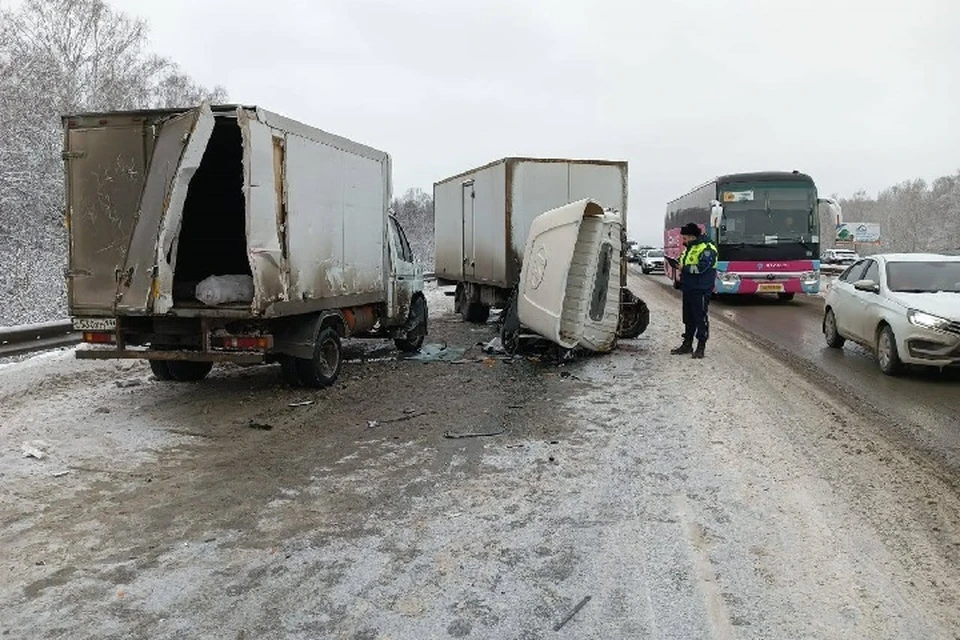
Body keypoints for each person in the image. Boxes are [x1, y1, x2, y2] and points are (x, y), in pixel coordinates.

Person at [669, 222, 718, 359]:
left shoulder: (708, 248)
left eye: (684, 238)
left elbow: (702, 268)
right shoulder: (689, 248)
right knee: (688, 318)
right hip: (688, 288)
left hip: (701, 289)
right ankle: (687, 344)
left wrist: (683, 268)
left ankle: (701, 346)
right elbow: (684, 262)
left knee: (700, 318)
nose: (683, 241)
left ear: (691, 236)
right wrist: (676, 263)